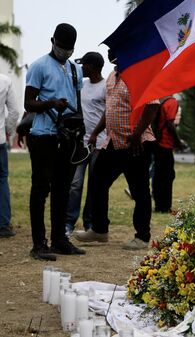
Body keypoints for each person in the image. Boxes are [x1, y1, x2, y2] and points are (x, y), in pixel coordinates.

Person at [75, 49, 159, 250]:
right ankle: (99, 230)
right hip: (113, 142)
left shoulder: (140, 74)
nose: (112, 54)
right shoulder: (112, 76)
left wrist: (137, 133)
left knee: (139, 191)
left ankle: (142, 237)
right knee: (97, 182)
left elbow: (152, 106)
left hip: (136, 144)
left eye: (116, 51)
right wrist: (96, 132)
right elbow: (110, 108)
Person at [24, 23, 86, 260]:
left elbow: (77, 102)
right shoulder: (39, 66)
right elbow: (28, 104)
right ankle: (39, 244)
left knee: (62, 189)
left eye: (70, 48)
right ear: (53, 41)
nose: (66, 51)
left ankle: (60, 239)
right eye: (62, 46)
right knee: (41, 190)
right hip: (43, 136)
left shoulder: (74, 69)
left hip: (68, 137)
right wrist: (51, 103)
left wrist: (80, 130)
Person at [64, 52, 107, 236]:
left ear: (93, 66)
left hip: (99, 143)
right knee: (75, 184)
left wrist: (98, 135)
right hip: (81, 144)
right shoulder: (82, 85)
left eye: (85, 65)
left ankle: (90, 223)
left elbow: (108, 113)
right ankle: (68, 223)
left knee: (94, 186)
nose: (82, 68)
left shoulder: (106, 86)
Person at [152, 95, 183, 213]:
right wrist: (178, 142)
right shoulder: (172, 102)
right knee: (168, 176)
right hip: (165, 144)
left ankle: (159, 205)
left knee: (159, 175)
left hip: (158, 142)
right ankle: (165, 206)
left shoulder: (161, 100)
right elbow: (170, 124)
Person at [0, 73, 19, 238]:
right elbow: (13, 111)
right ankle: (3, 224)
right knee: (1, 179)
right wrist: (7, 131)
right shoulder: (5, 81)